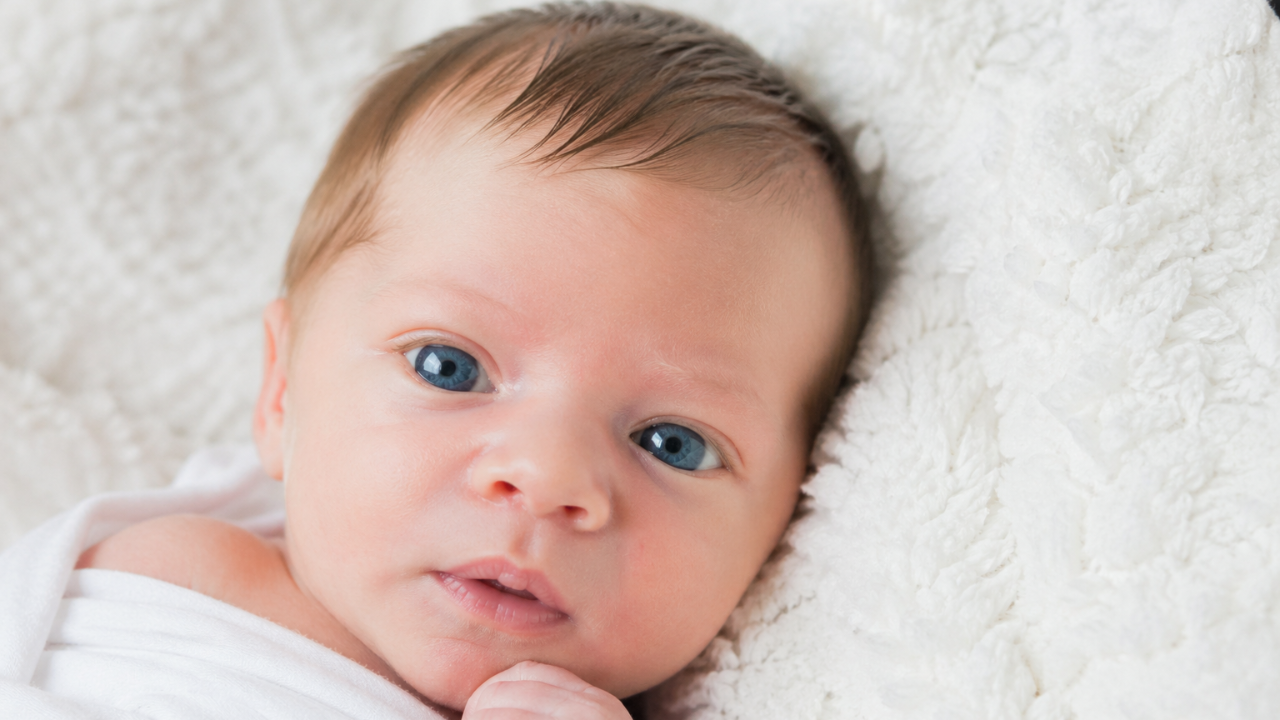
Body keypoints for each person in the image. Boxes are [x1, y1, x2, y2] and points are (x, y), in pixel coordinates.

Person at [43, 2, 871, 717]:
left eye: (672, 443)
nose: (545, 478)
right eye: (448, 367)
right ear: (283, 393)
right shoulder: (159, 580)